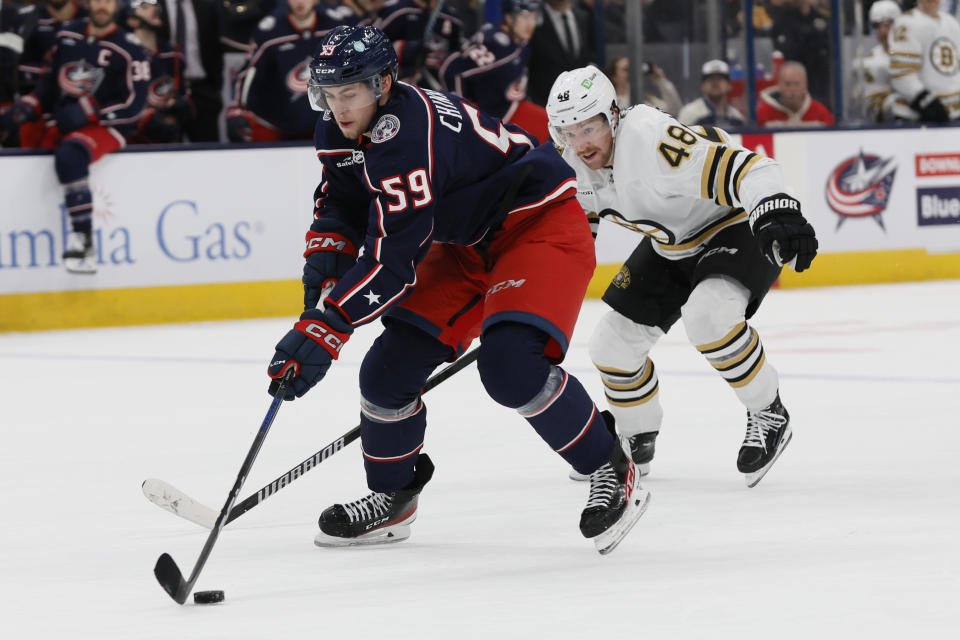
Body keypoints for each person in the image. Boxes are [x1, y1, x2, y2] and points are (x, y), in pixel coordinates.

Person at [265, 25, 650, 554]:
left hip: (537, 224)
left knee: (511, 367)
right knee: (387, 371)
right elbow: (342, 202)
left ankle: (609, 465)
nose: (338, 109)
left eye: (349, 93)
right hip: (467, 242)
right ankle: (393, 498)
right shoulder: (338, 128)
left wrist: (325, 327)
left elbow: (393, 262)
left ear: (383, 84)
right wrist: (324, 268)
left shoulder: (405, 135)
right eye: (328, 96)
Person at [546, 66, 818, 486]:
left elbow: (750, 168)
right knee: (611, 344)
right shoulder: (570, 161)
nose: (580, 143)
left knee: (709, 316)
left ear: (612, 116)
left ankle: (768, 411)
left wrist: (775, 210)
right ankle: (636, 437)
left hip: (733, 223)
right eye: (568, 131)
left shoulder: (650, 140)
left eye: (588, 127)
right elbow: (574, 236)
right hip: (671, 245)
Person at [1, 0, 149, 273]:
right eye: (97, 0)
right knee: (25, 143)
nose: (102, 6)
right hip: (66, 118)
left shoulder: (130, 47)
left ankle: (84, 240)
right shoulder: (67, 35)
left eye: (108, 1)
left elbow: (136, 102)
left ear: (116, 6)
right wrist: (27, 106)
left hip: (107, 126)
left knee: (69, 156)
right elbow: (50, 84)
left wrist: (90, 112)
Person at [226, 0, 355, 142]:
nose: (300, 2)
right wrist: (236, 109)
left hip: (322, 121)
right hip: (275, 122)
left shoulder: (337, 27)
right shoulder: (269, 31)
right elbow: (246, 75)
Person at [439, 0, 549, 142]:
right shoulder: (494, 43)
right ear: (509, 17)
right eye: (525, 17)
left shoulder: (520, 40)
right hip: (493, 119)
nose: (531, 24)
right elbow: (452, 70)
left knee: (556, 129)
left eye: (534, 17)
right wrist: (462, 116)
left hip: (510, 108)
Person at [124, 0, 192, 143]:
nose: (153, 9)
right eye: (144, 7)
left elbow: (184, 97)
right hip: (132, 141)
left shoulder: (173, 55)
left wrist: (181, 105)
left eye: (155, 5)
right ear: (132, 20)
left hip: (170, 140)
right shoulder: (123, 54)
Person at [156, 0, 222, 141]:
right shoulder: (152, 6)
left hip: (202, 90)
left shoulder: (206, 5)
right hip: (165, 92)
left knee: (208, 153)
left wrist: (214, 88)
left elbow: (215, 47)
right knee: (166, 153)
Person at [888, 0, 960, 122]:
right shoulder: (905, 24)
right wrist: (925, 101)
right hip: (915, 117)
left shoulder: (952, 23)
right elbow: (901, 75)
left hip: (953, 114)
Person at [376, 0, 463, 89]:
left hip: (437, 88)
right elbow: (374, 48)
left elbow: (456, 55)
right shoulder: (396, 10)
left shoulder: (452, 18)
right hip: (399, 83)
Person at [527, 0, 593, 106]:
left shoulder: (584, 16)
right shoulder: (532, 20)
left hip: (579, 102)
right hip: (544, 104)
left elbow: (589, 56)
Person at [853, 0, 904, 123]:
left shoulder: (913, 53)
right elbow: (868, 104)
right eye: (877, 26)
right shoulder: (870, 61)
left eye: (887, 25)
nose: (882, 31)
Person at [756, 60, 834, 126]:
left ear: (805, 85)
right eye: (787, 84)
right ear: (779, 85)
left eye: (797, 84)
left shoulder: (821, 114)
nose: (792, 89)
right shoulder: (763, 114)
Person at [677, 59, 745, 128]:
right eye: (710, 79)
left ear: (729, 85)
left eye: (720, 79)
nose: (715, 82)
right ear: (702, 86)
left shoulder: (737, 116)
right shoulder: (689, 113)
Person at [605, 55, 681, 116]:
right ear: (614, 77)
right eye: (626, 69)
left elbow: (674, 110)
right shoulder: (611, 104)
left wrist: (660, 80)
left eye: (633, 68)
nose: (631, 72)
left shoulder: (646, 99)